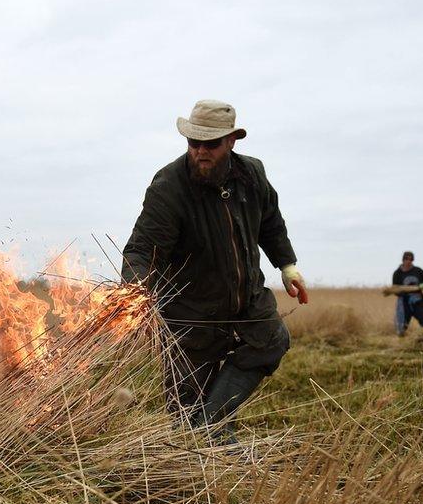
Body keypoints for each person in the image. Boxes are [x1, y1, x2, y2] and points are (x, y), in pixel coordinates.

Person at [121, 99, 308, 444]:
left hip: (246, 297)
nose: (201, 151)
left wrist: (287, 264)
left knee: (272, 340)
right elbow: (143, 248)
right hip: (189, 312)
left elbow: (270, 223)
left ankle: (215, 428)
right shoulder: (169, 186)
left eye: (211, 144)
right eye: (194, 143)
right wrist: (135, 292)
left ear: (231, 141)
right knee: (185, 417)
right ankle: (210, 441)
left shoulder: (252, 175)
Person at [392, 251, 423, 336]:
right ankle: (401, 343)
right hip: (404, 303)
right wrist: (404, 292)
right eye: (406, 259)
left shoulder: (418, 271)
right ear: (403, 260)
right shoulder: (397, 273)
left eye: (411, 259)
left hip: (418, 301)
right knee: (402, 325)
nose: (408, 261)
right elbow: (395, 290)